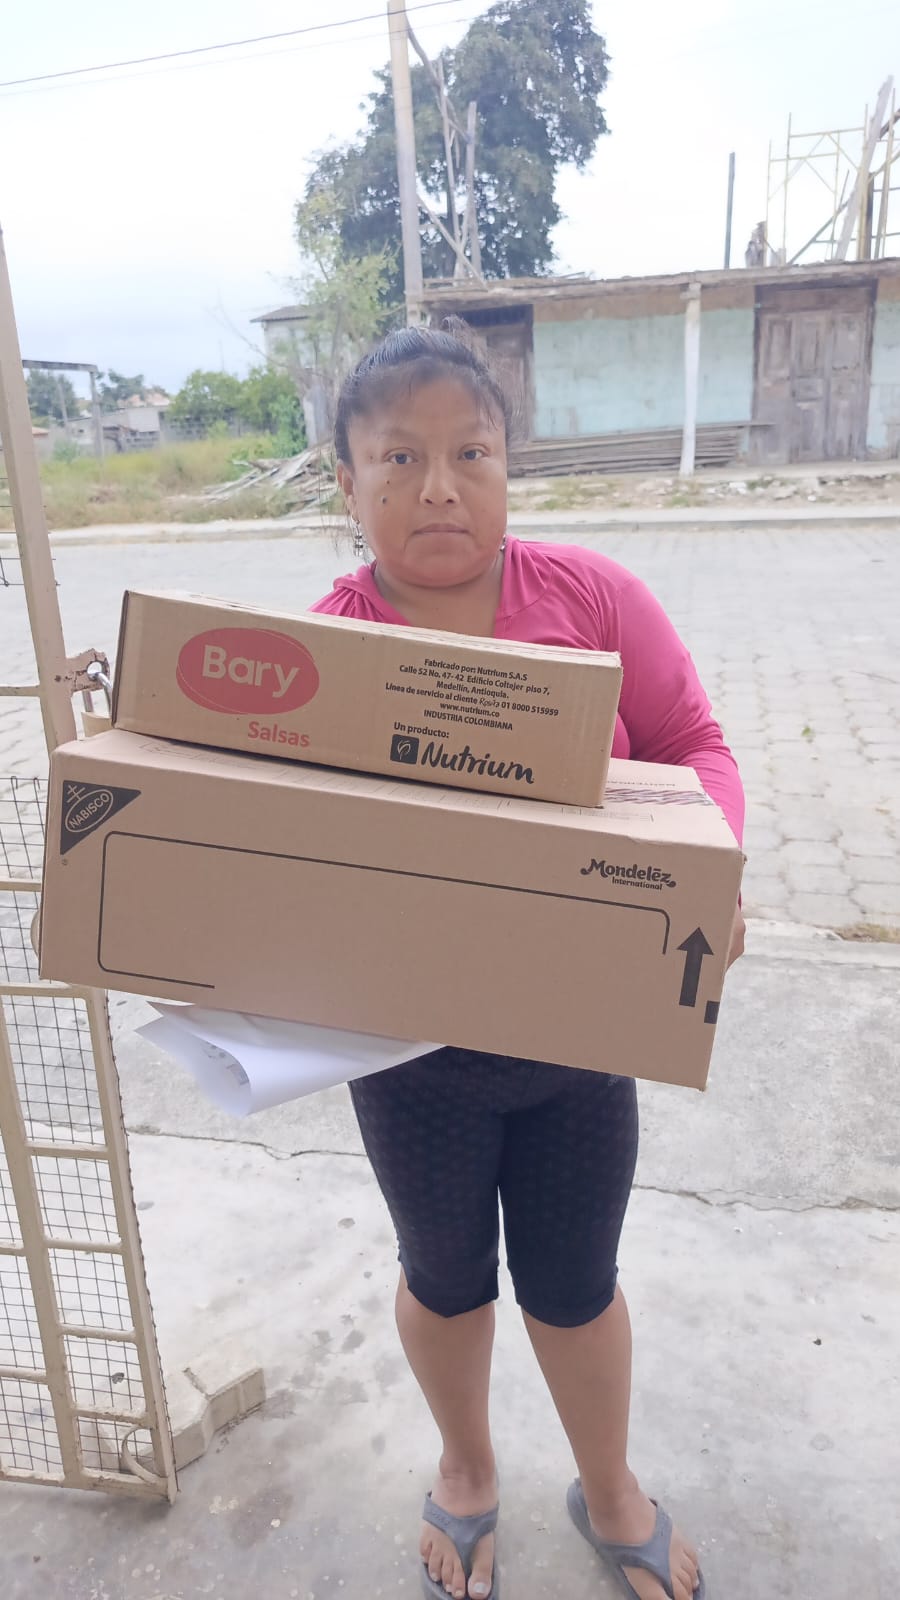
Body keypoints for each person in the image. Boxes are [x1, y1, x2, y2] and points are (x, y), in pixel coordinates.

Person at [310, 322, 745, 1600]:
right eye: (399, 456)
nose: (438, 485)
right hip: (411, 1059)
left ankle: (608, 1486)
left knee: (576, 1283)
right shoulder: (325, 644)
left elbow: (695, 742)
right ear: (347, 482)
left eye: (471, 452)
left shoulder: (592, 602)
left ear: (511, 467)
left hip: (576, 1046)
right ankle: (466, 1466)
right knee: (444, 1279)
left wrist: (713, 871)